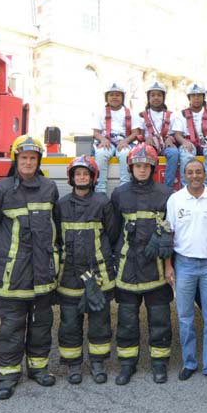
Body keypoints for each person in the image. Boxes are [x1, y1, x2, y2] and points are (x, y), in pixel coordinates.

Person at [0, 134, 60, 400]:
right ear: (16, 160)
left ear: (39, 161)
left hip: (42, 270)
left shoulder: (49, 188)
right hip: (13, 270)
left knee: (41, 323)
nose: (28, 162)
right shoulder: (2, 190)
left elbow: (56, 226)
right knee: (12, 326)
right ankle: (9, 375)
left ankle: (38, 369)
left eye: (32, 158)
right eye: (24, 157)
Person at [110, 143, 174, 385]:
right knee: (126, 320)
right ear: (131, 168)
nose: (142, 170)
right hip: (127, 268)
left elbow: (171, 231)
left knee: (160, 320)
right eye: (138, 166)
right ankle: (127, 365)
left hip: (156, 268)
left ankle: (159, 364)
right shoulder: (119, 194)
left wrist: (169, 263)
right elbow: (113, 231)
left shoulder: (165, 193)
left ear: (152, 168)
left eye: (146, 166)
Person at [55, 155, 120, 385]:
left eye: (85, 174)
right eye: (77, 174)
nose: (81, 177)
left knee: (99, 320)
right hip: (69, 274)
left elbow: (112, 235)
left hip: (98, 273)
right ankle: (73, 365)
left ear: (93, 178)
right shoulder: (61, 205)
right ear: (71, 178)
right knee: (69, 322)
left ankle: (97, 362)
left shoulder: (102, 202)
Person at [165, 159, 207, 385]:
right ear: (184, 176)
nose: (195, 176)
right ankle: (189, 363)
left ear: (204, 174)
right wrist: (168, 265)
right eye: (190, 172)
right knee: (185, 317)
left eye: (198, 172)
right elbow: (168, 235)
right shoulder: (175, 199)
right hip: (184, 264)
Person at [171, 82, 207, 189]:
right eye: (193, 95)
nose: (196, 98)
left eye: (199, 95)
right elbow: (177, 134)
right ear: (189, 98)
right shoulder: (180, 114)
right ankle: (187, 186)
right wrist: (184, 142)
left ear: (203, 97)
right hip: (189, 142)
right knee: (186, 154)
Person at [93, 82, 141, 195]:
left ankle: (125, 187)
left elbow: (135, 133)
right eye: (111, 95)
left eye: (118, 95)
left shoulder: (131, 113)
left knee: (125, 154)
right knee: (100, 153)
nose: (114, 97)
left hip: (124, 141)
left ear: (123, 97)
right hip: (106, 142)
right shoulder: (100, 112)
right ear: (107, 98)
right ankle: (100, 189)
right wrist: (103, 140)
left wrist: (126, 141)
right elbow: (96, 133)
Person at [140, 80, 180, 188]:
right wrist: (145, 140)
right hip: (149, 145)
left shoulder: (172, 115)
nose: (156, 98)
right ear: (148, 98)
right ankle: (145, 185)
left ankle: (168, 187)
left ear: (163, 98)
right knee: (142, 154)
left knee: (174, 153)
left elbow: (175, 133)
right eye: (152, 95)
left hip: (165, 144)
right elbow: (139, 134)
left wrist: (170, 138)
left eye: (159, 95)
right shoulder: (141, 116)